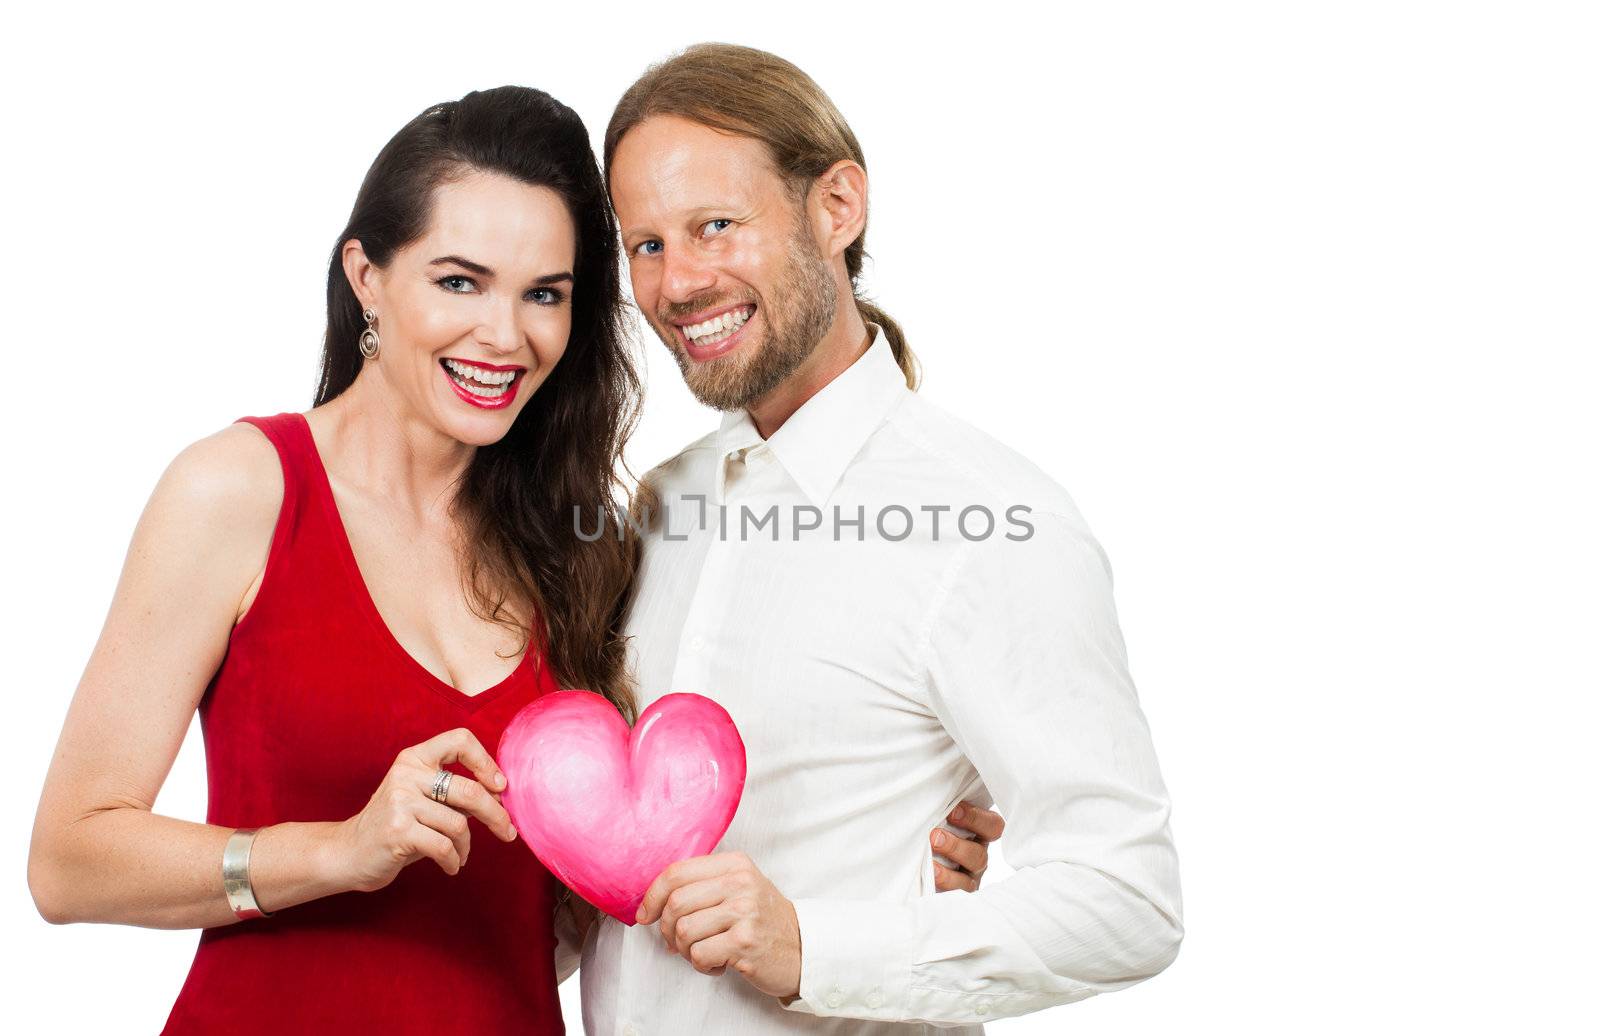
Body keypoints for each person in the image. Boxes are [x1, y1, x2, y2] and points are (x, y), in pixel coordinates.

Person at [26, 84, 997, 1034]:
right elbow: (67, 862)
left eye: (544, 294)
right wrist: (337, 850)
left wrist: (888, 867)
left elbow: (612, 872)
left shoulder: (581, 547)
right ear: (367, 275)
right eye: (459, 280)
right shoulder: (240, 490)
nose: (504, 334)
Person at [584, 44, 1185, 1034]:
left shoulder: (993, 522)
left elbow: (1129, 896)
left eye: (716, 226)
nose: (677, 282)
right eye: (644, 244)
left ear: (836, 208)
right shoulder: (662, 503)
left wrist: (811, 945)